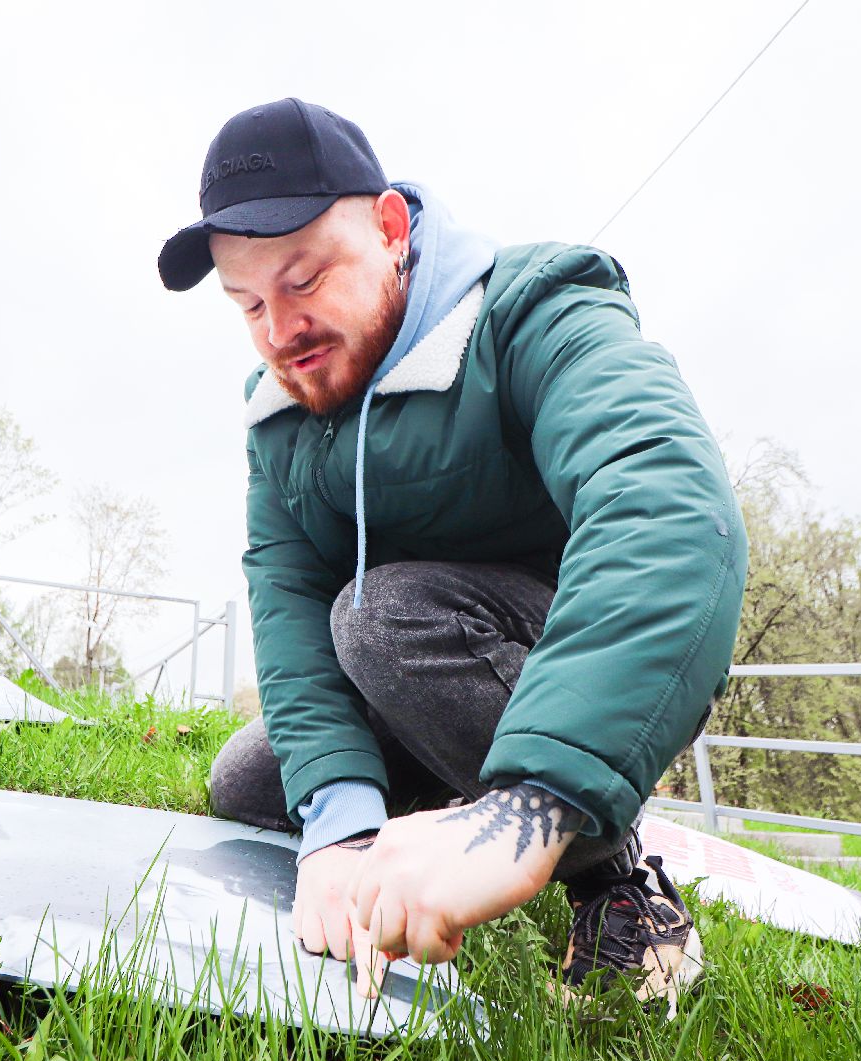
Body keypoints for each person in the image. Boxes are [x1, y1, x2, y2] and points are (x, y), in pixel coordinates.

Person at [158, 98, 747, 1013]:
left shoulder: (535, 309)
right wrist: (343, 828)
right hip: (400, 662)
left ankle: (619, 882)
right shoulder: (275, 408)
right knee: (254, 777)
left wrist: (533, 804)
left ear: (391, 229)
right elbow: (284, 600)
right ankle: (418, 839)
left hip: (569, 662)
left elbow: (667, 508)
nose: (280, 332)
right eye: (249, 305)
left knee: (380, 617)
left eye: (306, 280)